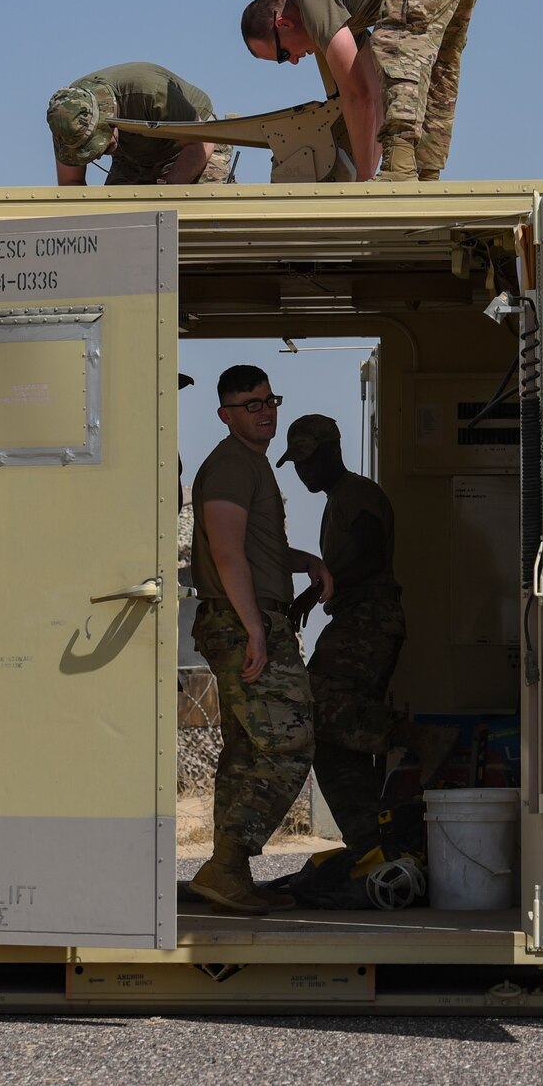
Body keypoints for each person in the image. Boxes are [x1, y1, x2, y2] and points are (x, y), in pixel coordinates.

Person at [187, 366, 331, 913]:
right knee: (289, 742)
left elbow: (254, 550)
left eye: (269, 400)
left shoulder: (252, 465)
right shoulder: (229, 467)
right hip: (244, 621)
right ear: (225, 415)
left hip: (251, 617)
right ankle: (224, 866)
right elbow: (226, 554)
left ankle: (229, 873)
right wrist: (254, 629)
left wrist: (305, 563)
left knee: (250, 749)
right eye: (250, 404)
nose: (265, 411)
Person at [239, 0, 494, 183]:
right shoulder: (342, 11)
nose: (295, 61)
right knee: (438, 62)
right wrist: (366, 176)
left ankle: (400, 168)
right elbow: (371, 93)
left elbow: (356, 94)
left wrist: (363, 180)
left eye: (284, 55)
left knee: (396, 37)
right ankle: (425, 172)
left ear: (283, 23)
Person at [276, 413, 411, 856]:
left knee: (317, 704)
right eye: (296, 464)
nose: (303, 471)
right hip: (354, 619)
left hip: (367, 620)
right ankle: (370, 843)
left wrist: (317, 590)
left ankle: (407, 737)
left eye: (309, 460)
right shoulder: (338, 500)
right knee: (334, 742)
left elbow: (371, 556)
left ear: (333, 449)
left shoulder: (357, 493)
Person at [47, 61, 235, 185]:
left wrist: (166, 192)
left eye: (97, 147)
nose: (96, 157)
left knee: (198, 216)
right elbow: (71, 184)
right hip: (131, 153)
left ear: (109, 122)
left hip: (191, 143)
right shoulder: (67, 116)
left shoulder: (151, 92)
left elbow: (201, 144)